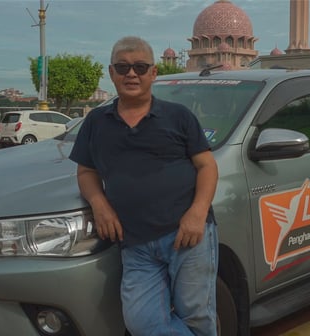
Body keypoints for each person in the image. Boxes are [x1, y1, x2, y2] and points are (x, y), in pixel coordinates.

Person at [69, 36, 219, 336]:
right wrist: (100, 204)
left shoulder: (178, 117)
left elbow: (207, 166)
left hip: (187, 235)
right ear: (111, 73)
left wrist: (197, 213)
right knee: (141, 323)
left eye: (140, 67)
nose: (131, 74)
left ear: (153, 73)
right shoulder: (97, 122)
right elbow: (86, 171)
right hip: (136, 244)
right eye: (123, 68)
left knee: (196, 316)